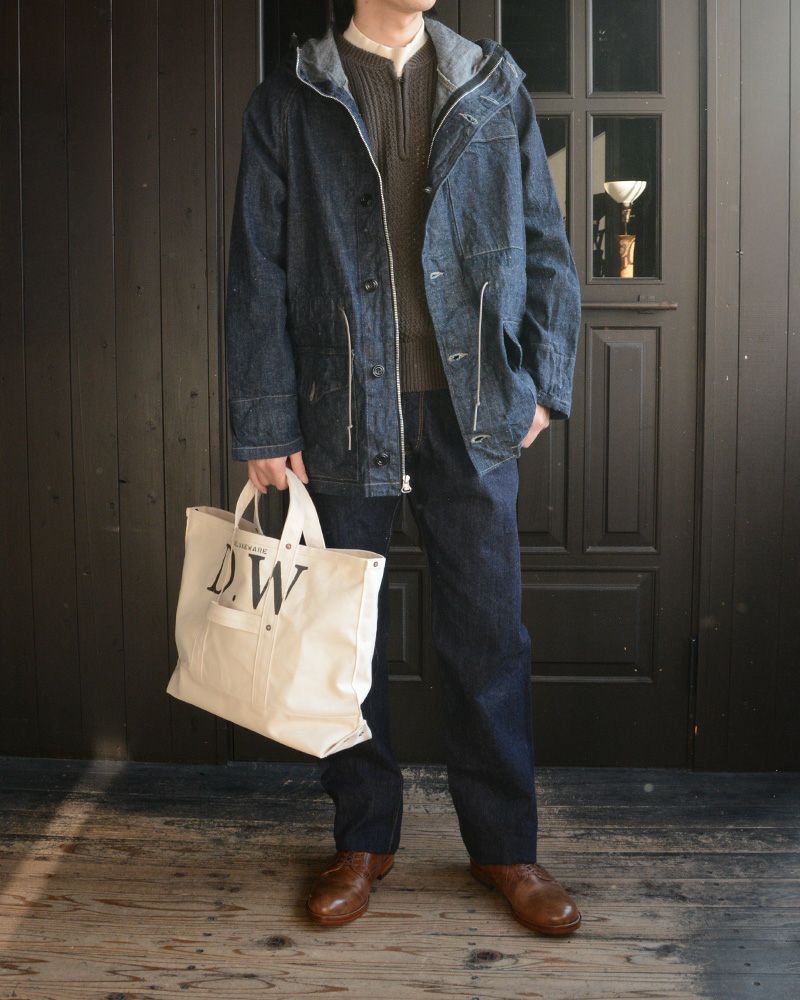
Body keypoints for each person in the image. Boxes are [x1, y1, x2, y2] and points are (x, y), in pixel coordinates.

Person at [224, 0, 582, 935]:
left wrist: (544, 386)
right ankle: (363, 839)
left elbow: (546, 241)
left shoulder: (491, 85)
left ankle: (504, 848)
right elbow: (257, 268)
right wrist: (265, 422)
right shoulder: (291, 98)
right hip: (341, 410)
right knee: (344, 641)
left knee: (489, 633)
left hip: (473, 409)